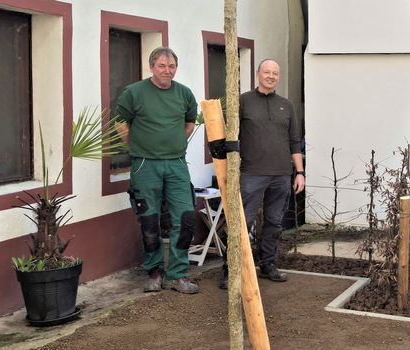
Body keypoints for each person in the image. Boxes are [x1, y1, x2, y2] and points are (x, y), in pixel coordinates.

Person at [116, 47, 200, 294]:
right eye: (162, 66)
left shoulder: (184, 93)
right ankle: (154, 272)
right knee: (149, 220)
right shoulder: (134, 93)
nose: (167, 70)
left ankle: (178, 274)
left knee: (184, 218)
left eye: (172, 66)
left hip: (176, 164)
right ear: (152, 66)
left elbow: (189, 123)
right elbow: (121, 124)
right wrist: (137, 147)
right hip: (145, 164)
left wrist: (174, 145)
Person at [219, 59, 305, 289]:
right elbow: (231, 135)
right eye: (267, 72)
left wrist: (300, 172)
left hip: (280, 175)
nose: (271, 76)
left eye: (275, 73)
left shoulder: (285, 105)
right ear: (258, 73)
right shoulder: (243, 101)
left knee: (274, 223)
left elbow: (294, 141)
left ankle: (267, 265)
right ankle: (230, 270)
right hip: (251, 173)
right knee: (242, 223)